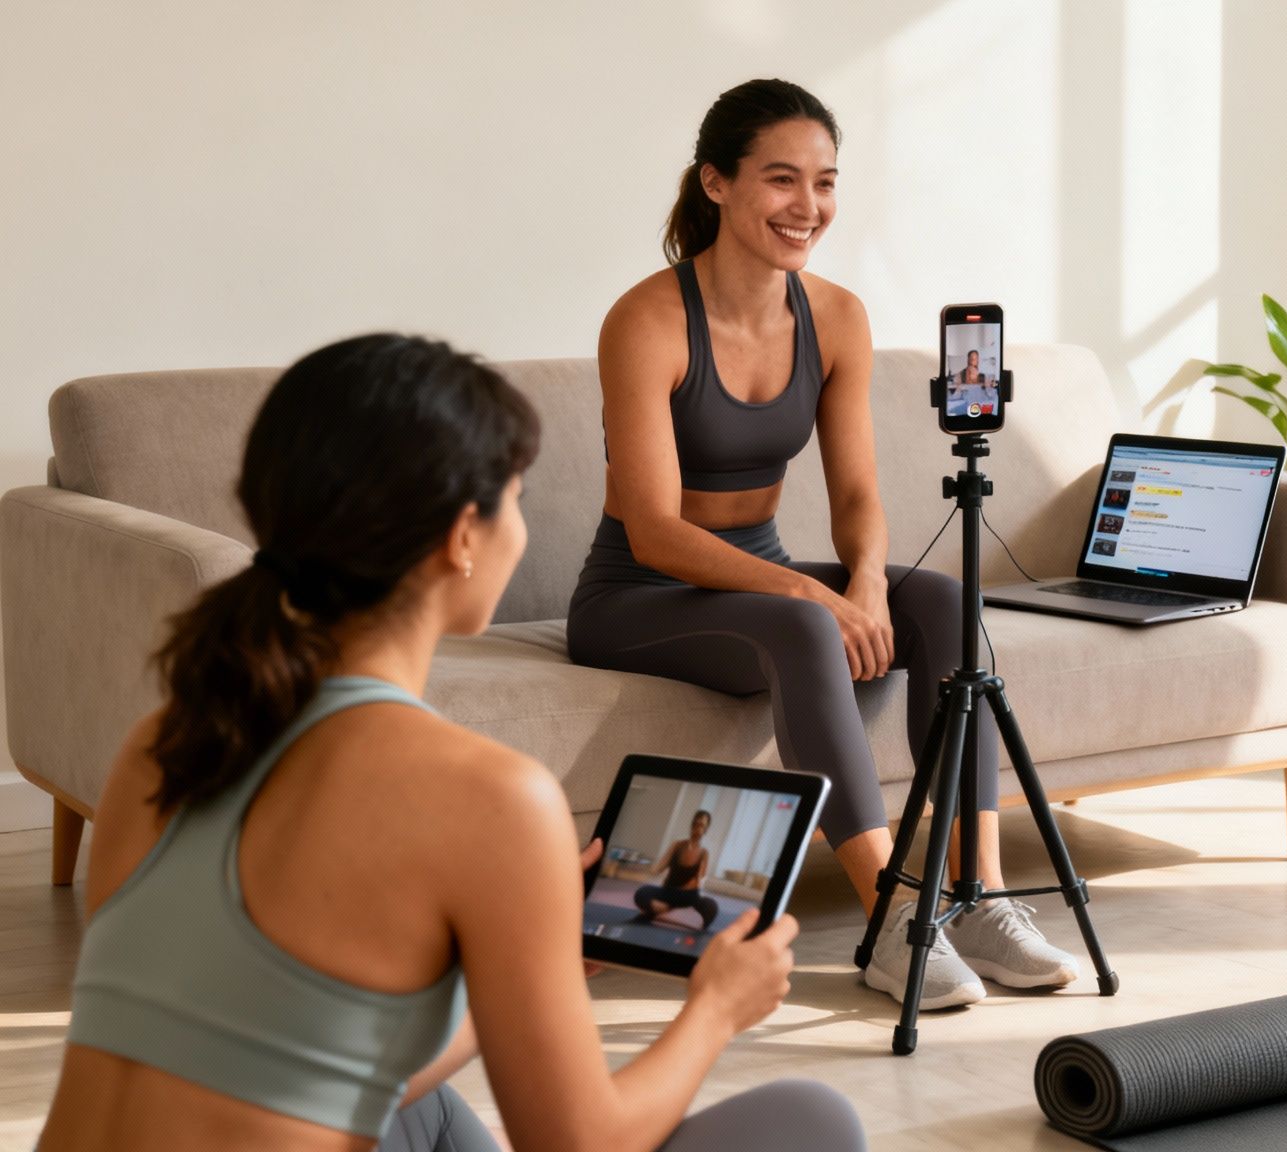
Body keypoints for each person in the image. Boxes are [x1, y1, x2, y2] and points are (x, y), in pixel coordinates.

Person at [36, 335, 866, 1152]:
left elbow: (283, 1060)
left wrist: (542, 962)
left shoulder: (165, 745)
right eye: (517, 498)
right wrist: (717, 1007)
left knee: (412, 1106)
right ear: (463, 535)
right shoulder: (491, 795)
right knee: (811, 1120)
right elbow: (581, 1142)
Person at [564, 78, 1077, 1010]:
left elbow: (857, 493)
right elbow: (655, 530)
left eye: (825, 182)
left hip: (752, 583)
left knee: (940, 599)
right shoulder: (646, 320)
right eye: (781, 179)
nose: (808, 206)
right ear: (716, 183)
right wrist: (811, 594)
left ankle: (978, 896)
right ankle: (895, 921)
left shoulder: (836, 316)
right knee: (803, 625)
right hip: (638, 594)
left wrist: (867, 579)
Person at [632, 809, 721, 929]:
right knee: (641, 893)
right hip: (668, 891)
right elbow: (659, 868)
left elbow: (701, 879)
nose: (698, 827)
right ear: (692, 824)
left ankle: (661, 909)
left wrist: (696, 886)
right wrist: (646, 868)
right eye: (696, 823)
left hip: (688, 896)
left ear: (706, 829)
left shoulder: (704, 853)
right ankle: (664, 908)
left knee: (712, 907)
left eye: (702, 825)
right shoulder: (677, 845)